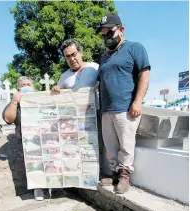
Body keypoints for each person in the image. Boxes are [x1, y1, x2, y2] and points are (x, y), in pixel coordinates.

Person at [97, 13, 151, 194]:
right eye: (104, 34)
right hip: (106, 110)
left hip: (126, 108)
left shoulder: (135, 48)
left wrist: (137, 102)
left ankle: (124, 176)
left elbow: (144, 73)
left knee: (126, 145)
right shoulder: (104, 57)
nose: (107, 37)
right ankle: (113, 173)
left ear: (121, 29)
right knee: (111, 147)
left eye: (109, 32)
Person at [52, 39, 110, 179]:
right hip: (75, 120)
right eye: (68, 56)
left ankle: (105, 174)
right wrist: (56, 89)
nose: (72, 58)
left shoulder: (94, 68)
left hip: (96, 114)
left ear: (80, 52)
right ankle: (85, 176)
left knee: (101, 144)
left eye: (74, 54)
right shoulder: (64, 77)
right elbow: (59, 95)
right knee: (81, 147)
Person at [2, 76, 45, 201]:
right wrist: (15, 101)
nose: (26, 87)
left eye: (28, 84)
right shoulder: (15, 103)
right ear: (18, 89)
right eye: (23, 85)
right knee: (35, 165)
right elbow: (8, 119)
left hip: (46, 138)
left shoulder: (41, 99)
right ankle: (39, 189)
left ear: (33, 87)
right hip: (28, 142)